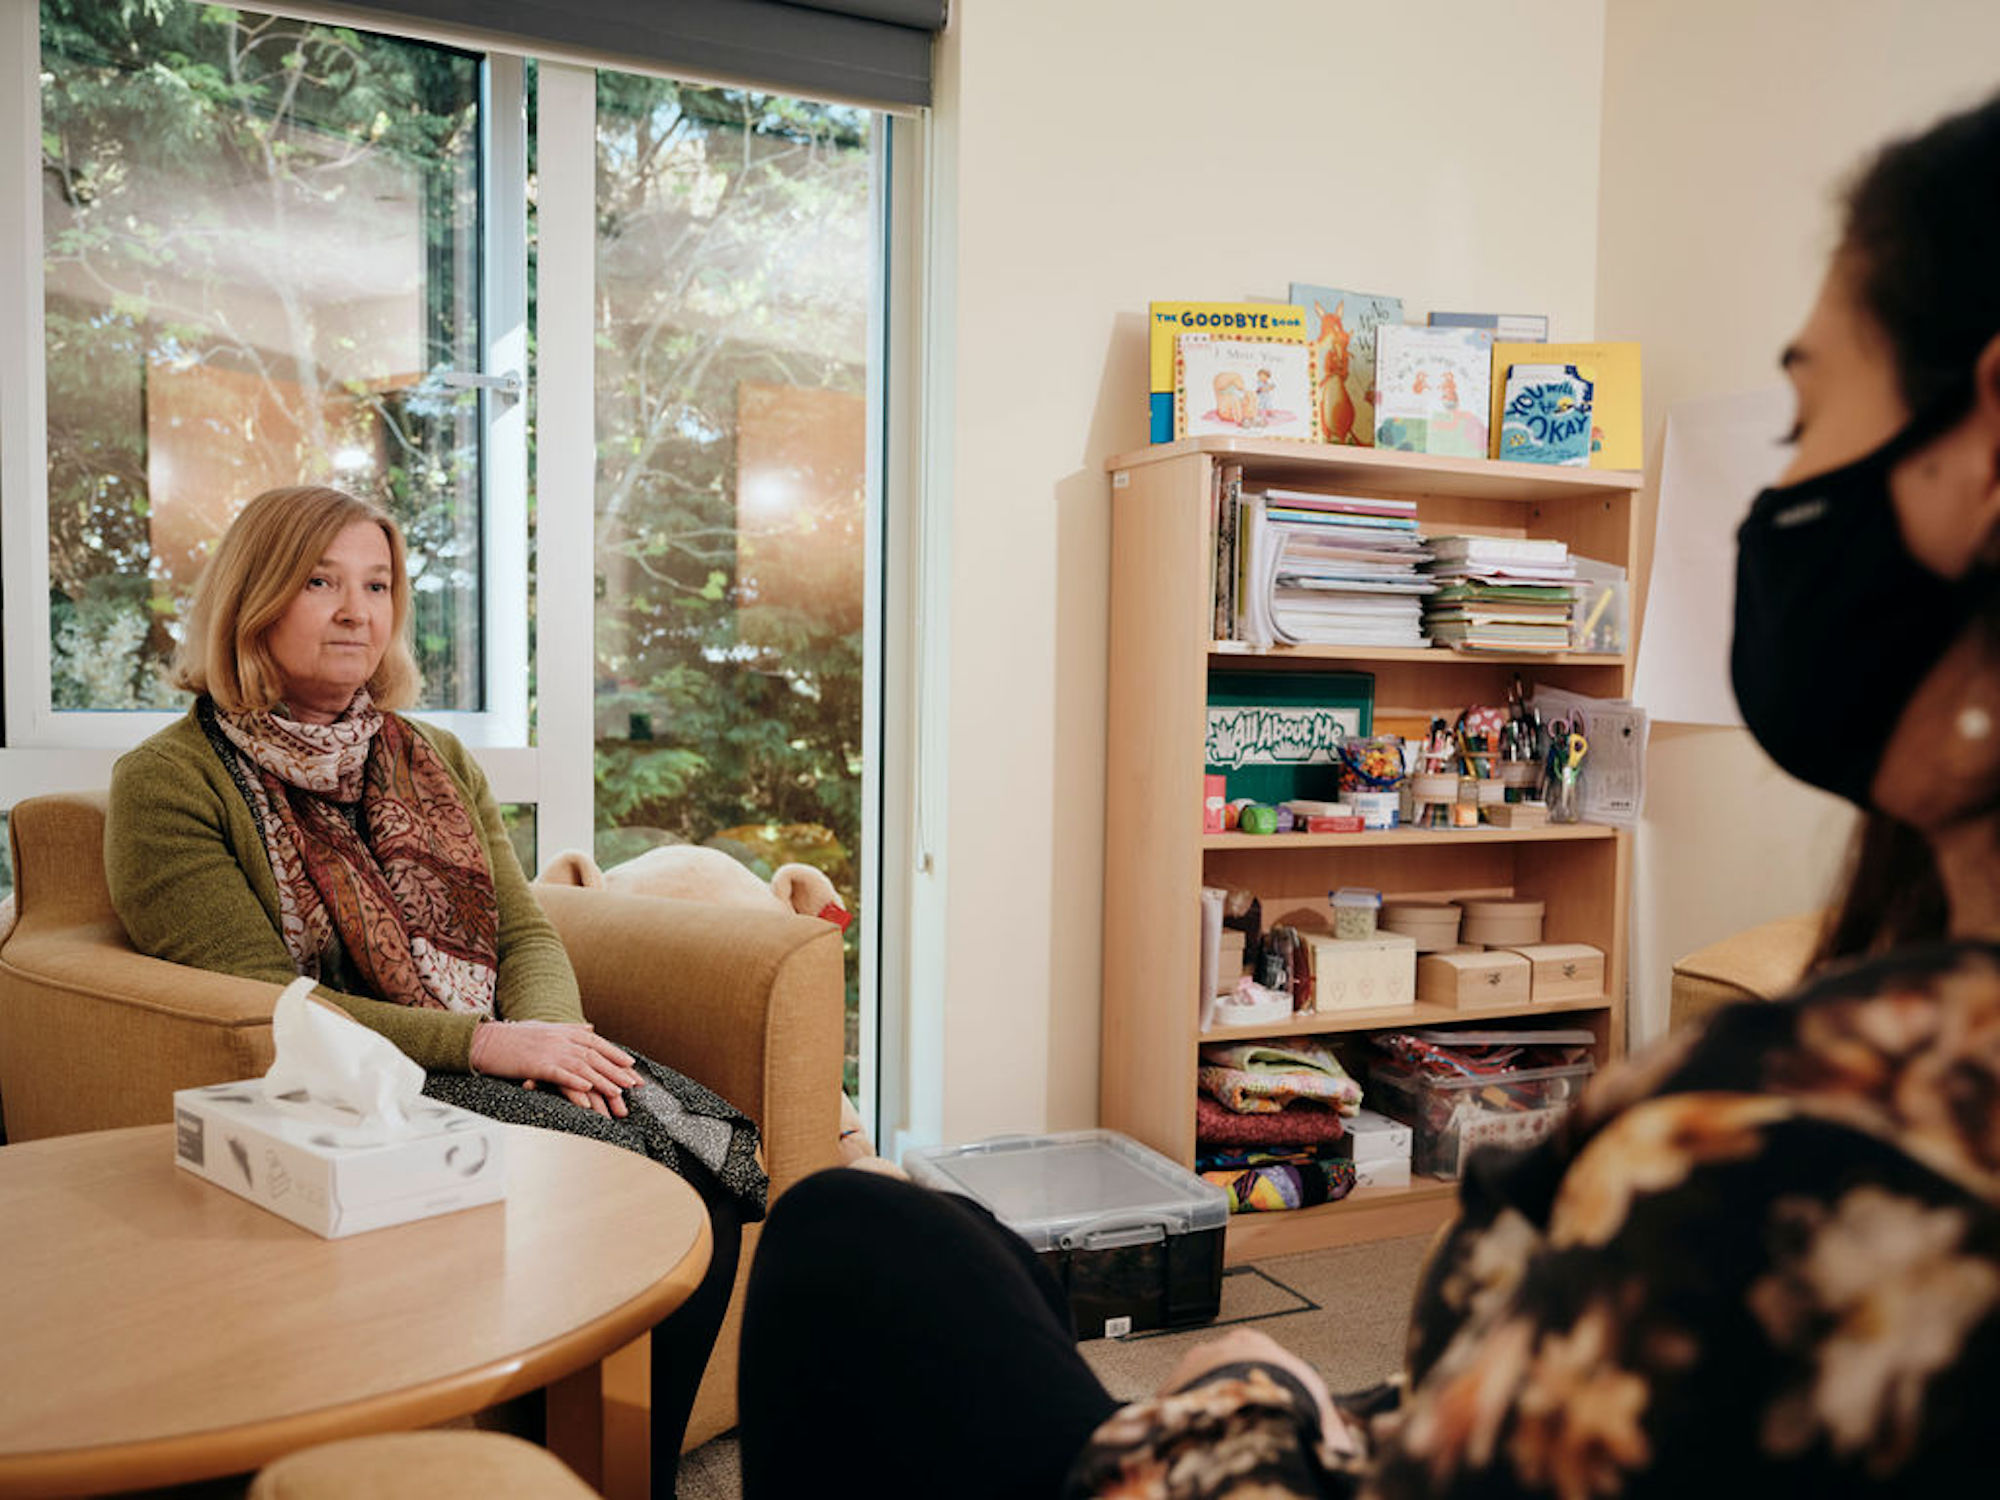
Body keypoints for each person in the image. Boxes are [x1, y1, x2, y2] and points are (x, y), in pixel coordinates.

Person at [736, 89, 2000, 1499]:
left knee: (857, 1235)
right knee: (973, 1247)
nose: (1777, 497)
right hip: (1444, 1424)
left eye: (1803, 420)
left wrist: (1249, 1392)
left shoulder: (1791, 1154)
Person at [106, 485, 760, 1493]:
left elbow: (522, 928)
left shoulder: (435, 756)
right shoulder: (170, 781)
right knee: (635, 1173)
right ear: (253, 598)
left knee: (706, 1153)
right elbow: (264, 1003)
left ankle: (620, 1479)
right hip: (346, 1085)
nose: (355, 612)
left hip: (491, 1045)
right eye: (320, 583)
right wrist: (489, 1044)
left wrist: (552, 1040)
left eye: (377, 586)